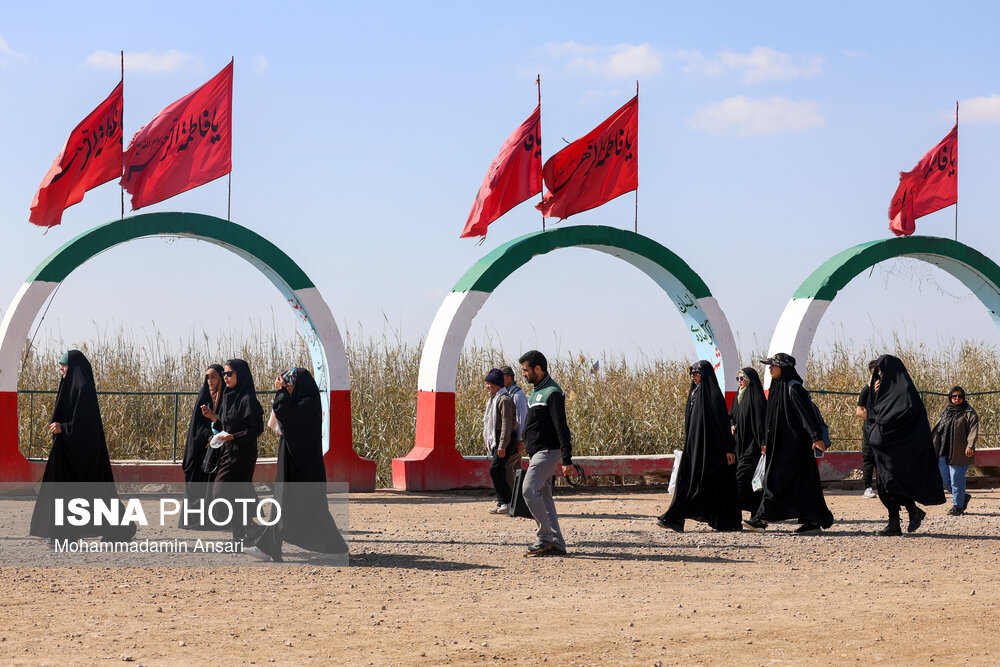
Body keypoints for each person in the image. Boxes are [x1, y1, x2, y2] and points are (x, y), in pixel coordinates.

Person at [29, 350, 137, 543]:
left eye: (64, 364)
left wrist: (64, 428)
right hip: (67, 451)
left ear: (74, 367)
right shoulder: (68, 385)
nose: (61, 368)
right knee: (66, 493)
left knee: (93, 494)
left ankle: (117, 529)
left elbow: (87, 424)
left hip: (86, 454)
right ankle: (63, 534)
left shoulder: (83, 388)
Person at [246, 368, 348, 562]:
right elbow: (276, 423)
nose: (287, 387)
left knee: (312, 508)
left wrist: (281, 393)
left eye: (289, 383)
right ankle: (268, 547)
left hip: (304, 470)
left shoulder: (307, 403)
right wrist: (283, 394)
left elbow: (287, 415)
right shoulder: (300, 402)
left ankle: (336, 548)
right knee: (282, 504)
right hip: (294, 465)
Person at [743, 353, 834, 535]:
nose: (770, 369)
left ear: (783, 368)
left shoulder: (794, 388)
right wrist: (767, 442)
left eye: (773, 366)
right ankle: (813, 520)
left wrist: (816, 438)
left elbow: (806, 415)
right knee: (802, 485)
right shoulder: (778, 387)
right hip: (780, 446)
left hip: (794, 447)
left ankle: (761, 519)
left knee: (774, 481)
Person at [657, 361, 742, 532]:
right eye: (691, 373)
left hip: (712, 452)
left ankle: (723, 521)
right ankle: (676, 518)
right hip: (695, 450)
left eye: (696, 373)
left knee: (712, 485)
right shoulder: (694, 393)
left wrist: (728, 448)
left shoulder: (713, 396)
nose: (693, 376)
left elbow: (722, 424)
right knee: (688, 482)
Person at [867, 354, 945, 535]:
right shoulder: (881, 394)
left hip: (899, 452)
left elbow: (906, 419)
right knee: (885, 486)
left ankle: (912, 511)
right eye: (877, 375)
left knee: (894, 482)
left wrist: (885, 433)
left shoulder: (906, 394)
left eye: (882, 374)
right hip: (881, 453)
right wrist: (875, 394)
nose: (879, 378)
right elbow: (873, 416)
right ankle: (895, 521)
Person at [519, 350, 575, 557]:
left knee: (528, 489)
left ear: (538, 369)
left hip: (547, 452)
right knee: (544, 496)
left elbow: (562, 426)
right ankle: (557, 544)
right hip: (538, 453)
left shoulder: (552, 392)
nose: (523, 374)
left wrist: (567, 458)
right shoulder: (537, 391)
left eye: (525, 370)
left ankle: (544, 537)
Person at [201, 358, 264, 543]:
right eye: (224, 374)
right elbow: (226, 425)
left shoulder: (248, 399)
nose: (225, 377)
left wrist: (233, 437)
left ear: (240, 374)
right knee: (236, 495)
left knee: (220, 492)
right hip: (228, 451)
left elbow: (256, 429)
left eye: (230, 373)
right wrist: (213, 417)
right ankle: (240, 537)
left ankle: (251, 527)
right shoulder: (228, 397)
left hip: (243, 453)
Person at [178, 364, 225, 529]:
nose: (210, 381)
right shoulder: (204, 399)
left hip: (219, 448)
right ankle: (195, 519)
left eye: (213, 377)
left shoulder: (225, 398)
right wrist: (207, 435)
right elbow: (196, 427)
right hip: (201, 448)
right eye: (208, 377)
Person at [931, 385, 977, 516]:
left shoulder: (969, 413)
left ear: (964, 397)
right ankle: (963, 497)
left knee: (957, 480)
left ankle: (958, 506)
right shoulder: (946, 412)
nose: (957, 399)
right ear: (950, 397)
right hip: (943, 451)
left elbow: (973, 430)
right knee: (944, 480)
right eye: (954, 396)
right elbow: (938, 430)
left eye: (960, 396)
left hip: (960, 451)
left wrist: (970, 445)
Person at [729, 367, 767, 515]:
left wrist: (763, 442)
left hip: (752, 447)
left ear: (750, 380)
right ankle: (756, 513)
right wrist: (732, 425)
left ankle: (732, 512)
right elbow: (731, 415)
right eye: (738, 378)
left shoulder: (756, 398)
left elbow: (761, 423)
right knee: (752, 482)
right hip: (739, 446)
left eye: (742, 378)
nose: (739, 381)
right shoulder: (739, 397)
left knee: (740, 480)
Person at [482, 368, 520, 515]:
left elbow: (506, 424)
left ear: (497, 384)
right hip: (496, 438)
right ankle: (501, 502)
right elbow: (489, 423)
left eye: (489, 384)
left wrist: (502, 444)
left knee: (495, 469)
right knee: (499, 469)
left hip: (506, 438)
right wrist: (489, 440)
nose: (487, 387)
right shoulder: (493, 399)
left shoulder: (504, 400)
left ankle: (507, 501)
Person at [857, 360, 878, 499]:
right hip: (870, 429)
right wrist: (872, 420)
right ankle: (868, 487)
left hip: (883, 429)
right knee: (869, 457)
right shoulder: (866, 389)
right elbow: (859, 411)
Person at [501, 365, 527, 453]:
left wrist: (520, 440)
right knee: (515, 466)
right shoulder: (508, 393)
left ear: (509, 377)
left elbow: (521, 418)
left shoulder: (517, 395)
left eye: (501, 377)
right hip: (511, 439)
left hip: (515, 440)